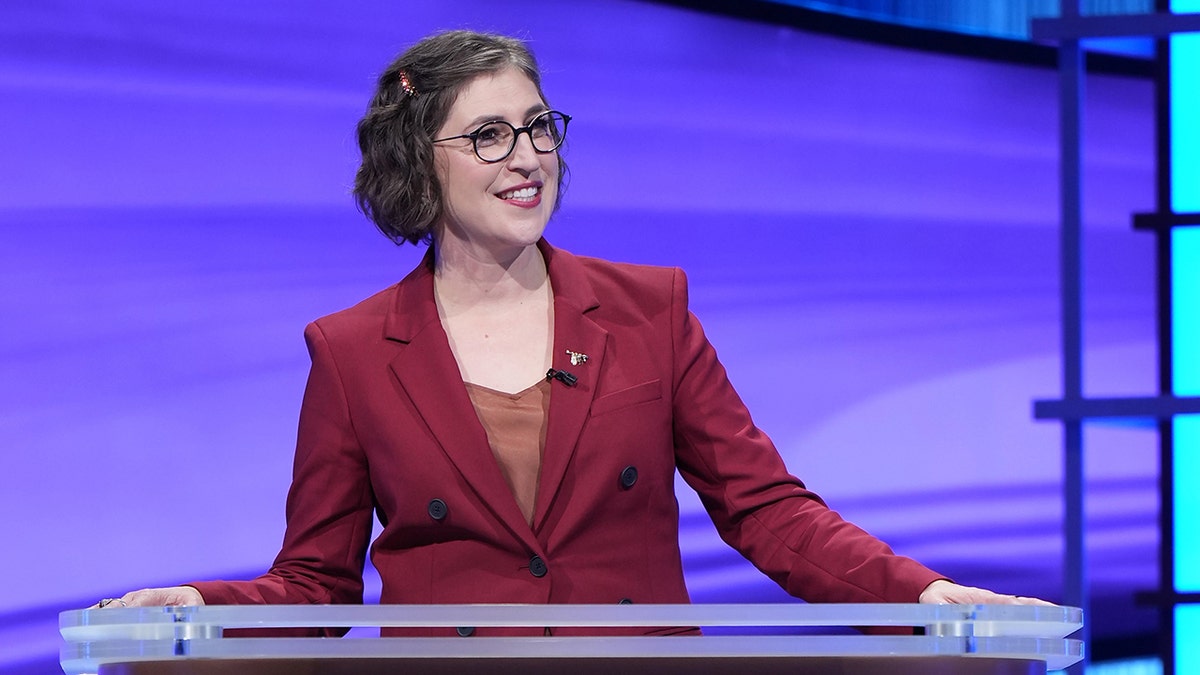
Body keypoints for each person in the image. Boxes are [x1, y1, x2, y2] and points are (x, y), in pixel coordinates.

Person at [93, 30, 1045, 633]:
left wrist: (918, 593)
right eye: (490, 136)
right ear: (416, 168)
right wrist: (205, 607)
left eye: (540, 127)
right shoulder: (349, 349)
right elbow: (317, 580)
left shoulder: (649, 308)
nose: (530, 158)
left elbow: (767, 510)